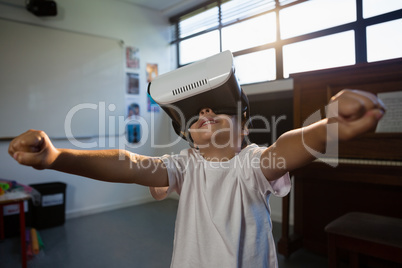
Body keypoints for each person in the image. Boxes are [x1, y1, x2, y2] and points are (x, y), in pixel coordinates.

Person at [8, 88, 385, 267]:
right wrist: (56, 157)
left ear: (245, 130)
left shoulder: (251, 164)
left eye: (219, 109)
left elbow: (286, 147)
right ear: (189, 136)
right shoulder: (183, 166)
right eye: (196, 115)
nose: (205, 110)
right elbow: (127, 163)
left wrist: (328, 126)